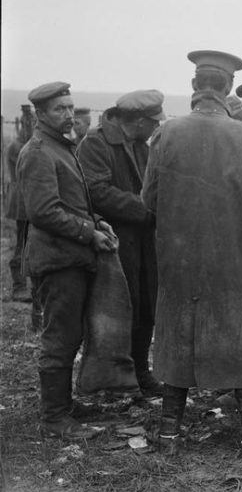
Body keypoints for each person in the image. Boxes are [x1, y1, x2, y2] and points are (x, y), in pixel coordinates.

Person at [141, 50, 242, 454]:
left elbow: (147, 202)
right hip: (236, 259)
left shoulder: (165, 134)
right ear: (229, 89)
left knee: (178, 331)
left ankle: (169, 434)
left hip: (179, 258)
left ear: (193, 87)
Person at [17, 81, 119, 439]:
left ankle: (64, 405)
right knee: (59, 338)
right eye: (59, 109)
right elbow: (44, 212)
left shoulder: (62, 147)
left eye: (70, 107)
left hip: (71, 258)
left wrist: (97, 221)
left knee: (71, 334)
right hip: (57, 261)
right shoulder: (39, 152)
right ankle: (54, 418)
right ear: (41, 114)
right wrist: (88, 233)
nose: (68, 114)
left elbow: (72, 201)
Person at [77, 90, 165, 397]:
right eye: (154, 121)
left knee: (144, 305)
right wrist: (146, 209)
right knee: (115, 310)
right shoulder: (95, 144)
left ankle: (140, 372)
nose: (157, 126)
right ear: (139, 121)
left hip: (143, 242)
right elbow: (97, 191)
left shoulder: (140, 145)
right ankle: (115, 381)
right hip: (114, 244)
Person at [5, 105, 35, 304]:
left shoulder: (24, 144)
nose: (32, 128)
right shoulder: (19, 146)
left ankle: (25, 285)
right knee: (21, 244)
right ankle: (19, 287)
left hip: (25, 199)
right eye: (29, 124)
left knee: (27, 242)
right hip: (21, 201)